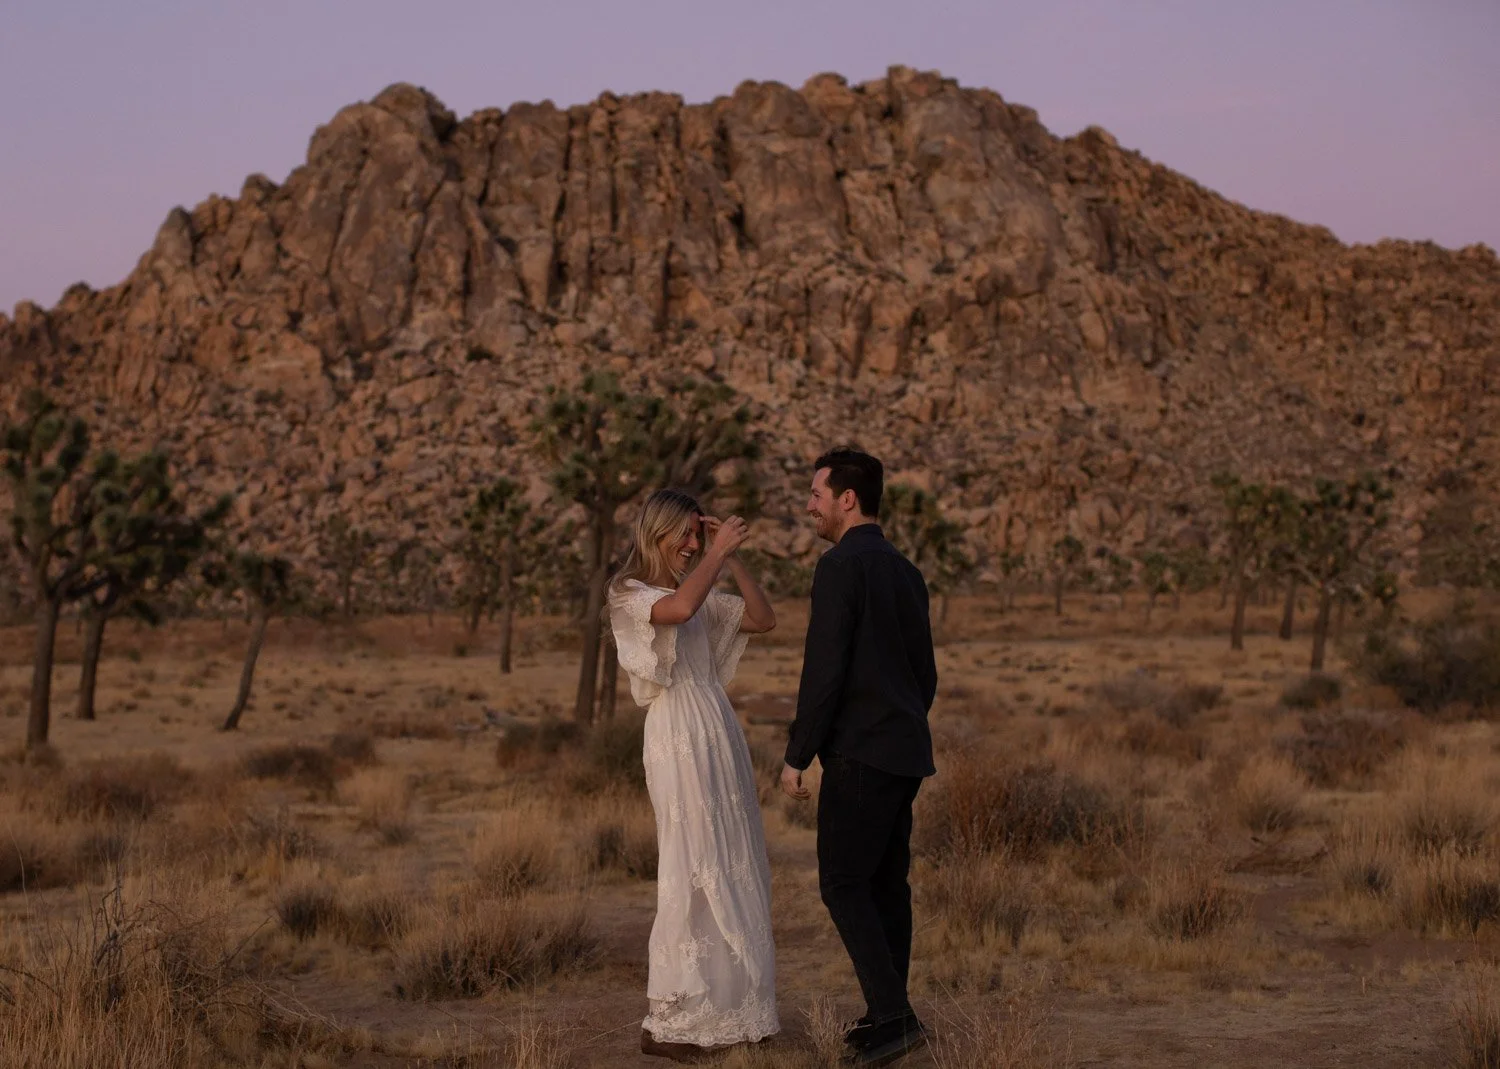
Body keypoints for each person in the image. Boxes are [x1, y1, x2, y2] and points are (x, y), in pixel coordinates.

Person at [608, 488, 781, 1061]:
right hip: (676, 733)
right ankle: (676, 1016)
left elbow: (763, 619)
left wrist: (730, 556)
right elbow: (677, 611)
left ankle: (735, 1009)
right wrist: (715, 554)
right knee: (693, 862)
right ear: (654, 532)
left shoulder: (700, 593)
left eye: (696, 533)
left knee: (732, 858)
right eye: (682, 534)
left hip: (717, 731)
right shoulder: (630, 593)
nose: (690, 543)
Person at [780, 448, 938, 1067]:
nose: (810, 506)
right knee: (885, 884)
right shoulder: (906, 570)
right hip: (905, 750)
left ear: (848, 499)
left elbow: (824, 671)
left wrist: (799, 754)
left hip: (861, 752)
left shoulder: (840, 566)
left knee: (843, 883)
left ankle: (894, 1016)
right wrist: (903, 722)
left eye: (816, 494)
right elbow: (924, 673)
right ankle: (886, 1014)